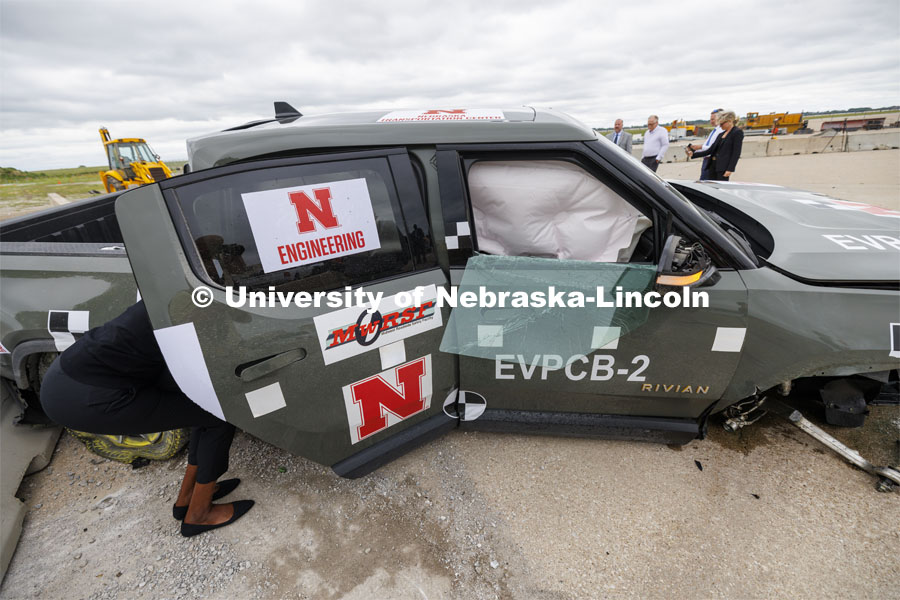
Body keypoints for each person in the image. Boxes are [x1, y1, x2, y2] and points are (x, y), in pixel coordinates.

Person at [39, 301, 254, 537]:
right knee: (218, 417)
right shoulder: (189, 318)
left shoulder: (166, 300)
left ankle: (188, 499)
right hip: (86, 397)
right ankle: (199, 515)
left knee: (201, 411)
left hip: (66, 378)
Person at [687, 110, 744, 181]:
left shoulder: (737, 132)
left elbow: (736, 153)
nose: (720, 126)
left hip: (723, 167)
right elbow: (711, 150)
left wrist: (730, 169)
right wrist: (693, 154)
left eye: (722, 124)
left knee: (721, 188)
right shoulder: (721, 134)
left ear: (730, 121)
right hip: (713, 166)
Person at [687, 109, 724, 180]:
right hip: (706, 159)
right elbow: (708, 144)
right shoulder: (715, 130)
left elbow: (713, 148)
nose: (711, 121)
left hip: (712, 161)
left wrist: (699, 147)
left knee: (707, 183)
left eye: (713, 119)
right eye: (710, 119)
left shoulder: (720, 131)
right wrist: (694, 150)